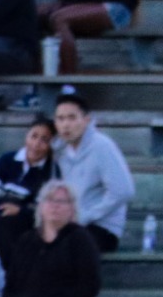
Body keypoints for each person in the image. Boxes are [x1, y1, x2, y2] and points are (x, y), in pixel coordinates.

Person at [49, 92, 135, 252]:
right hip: (72, 225)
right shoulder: (59, 150)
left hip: (103, 228)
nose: (65, 125)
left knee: (65, 249)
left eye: (72, 118)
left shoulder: (101, 146)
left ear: (86, 120)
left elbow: (124, 191)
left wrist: (86, 216)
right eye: (60, 119)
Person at [0, 116, 55, 259]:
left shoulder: (50, 170)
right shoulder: (8, 160)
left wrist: (20, 210)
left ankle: (3, 276)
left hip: (26, 220)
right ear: (27, 136)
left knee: (4, 226)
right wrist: (0, 208)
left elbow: (42, 209)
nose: (37, 144)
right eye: (34, 136)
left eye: (44, 140)